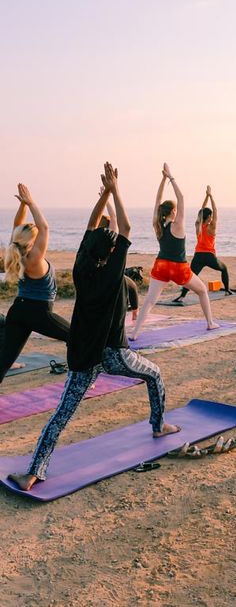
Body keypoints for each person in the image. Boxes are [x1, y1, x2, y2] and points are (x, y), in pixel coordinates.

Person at [9, 162, 180, 491]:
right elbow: (127, 226)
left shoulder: (80, 266)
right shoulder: (114, 271)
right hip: (115, 354)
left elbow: (93, 227)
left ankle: (33, 472)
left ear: (88, 249)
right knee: (154, 374)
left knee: (62, 413)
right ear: (113, 252)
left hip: (84, 354)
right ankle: (158, 426)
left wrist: (104, 195)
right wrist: (114, 190)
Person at [130, 164, 218, 340]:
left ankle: (134, 333)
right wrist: (170, 177)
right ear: (173, 212)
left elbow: (157, 202)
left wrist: (162, 180)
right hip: (179, 268)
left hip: (161, 266)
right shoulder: (178, 225)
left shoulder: (158, 226)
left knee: (149, 302)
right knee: (202, 291)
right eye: (176, 209)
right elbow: (181, 197)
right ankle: (210, 323)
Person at [0, 185, 70, 382]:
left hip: (18, 311)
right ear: (32, 241)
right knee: (75, 338)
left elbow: (16, 224)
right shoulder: (34, 259)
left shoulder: (16, 253)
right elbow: (45, 227)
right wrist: (30, 202)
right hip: (39, 313)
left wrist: (23, 205)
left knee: (3, 362)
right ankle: (79, 378)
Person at [172, 185, 231, 304]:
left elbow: (202, 211)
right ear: (209, 217)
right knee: (224, 269)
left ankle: (182, 296)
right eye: (211, 216)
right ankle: (227, 290)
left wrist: (206, 196)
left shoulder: (198, 225)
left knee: (190, 276)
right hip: (209, 256)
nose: (212, 217)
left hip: (198, 255)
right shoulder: (211, 227)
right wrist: (210, 196)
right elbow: (215, 210)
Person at [97, 187, 139, 321]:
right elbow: (115, 218)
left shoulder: (93, 238)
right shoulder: (111, 236)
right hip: (113, 275)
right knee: (132, 287)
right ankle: (135, 314)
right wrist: (108, 197)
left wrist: (103, 199)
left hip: (99, 274)